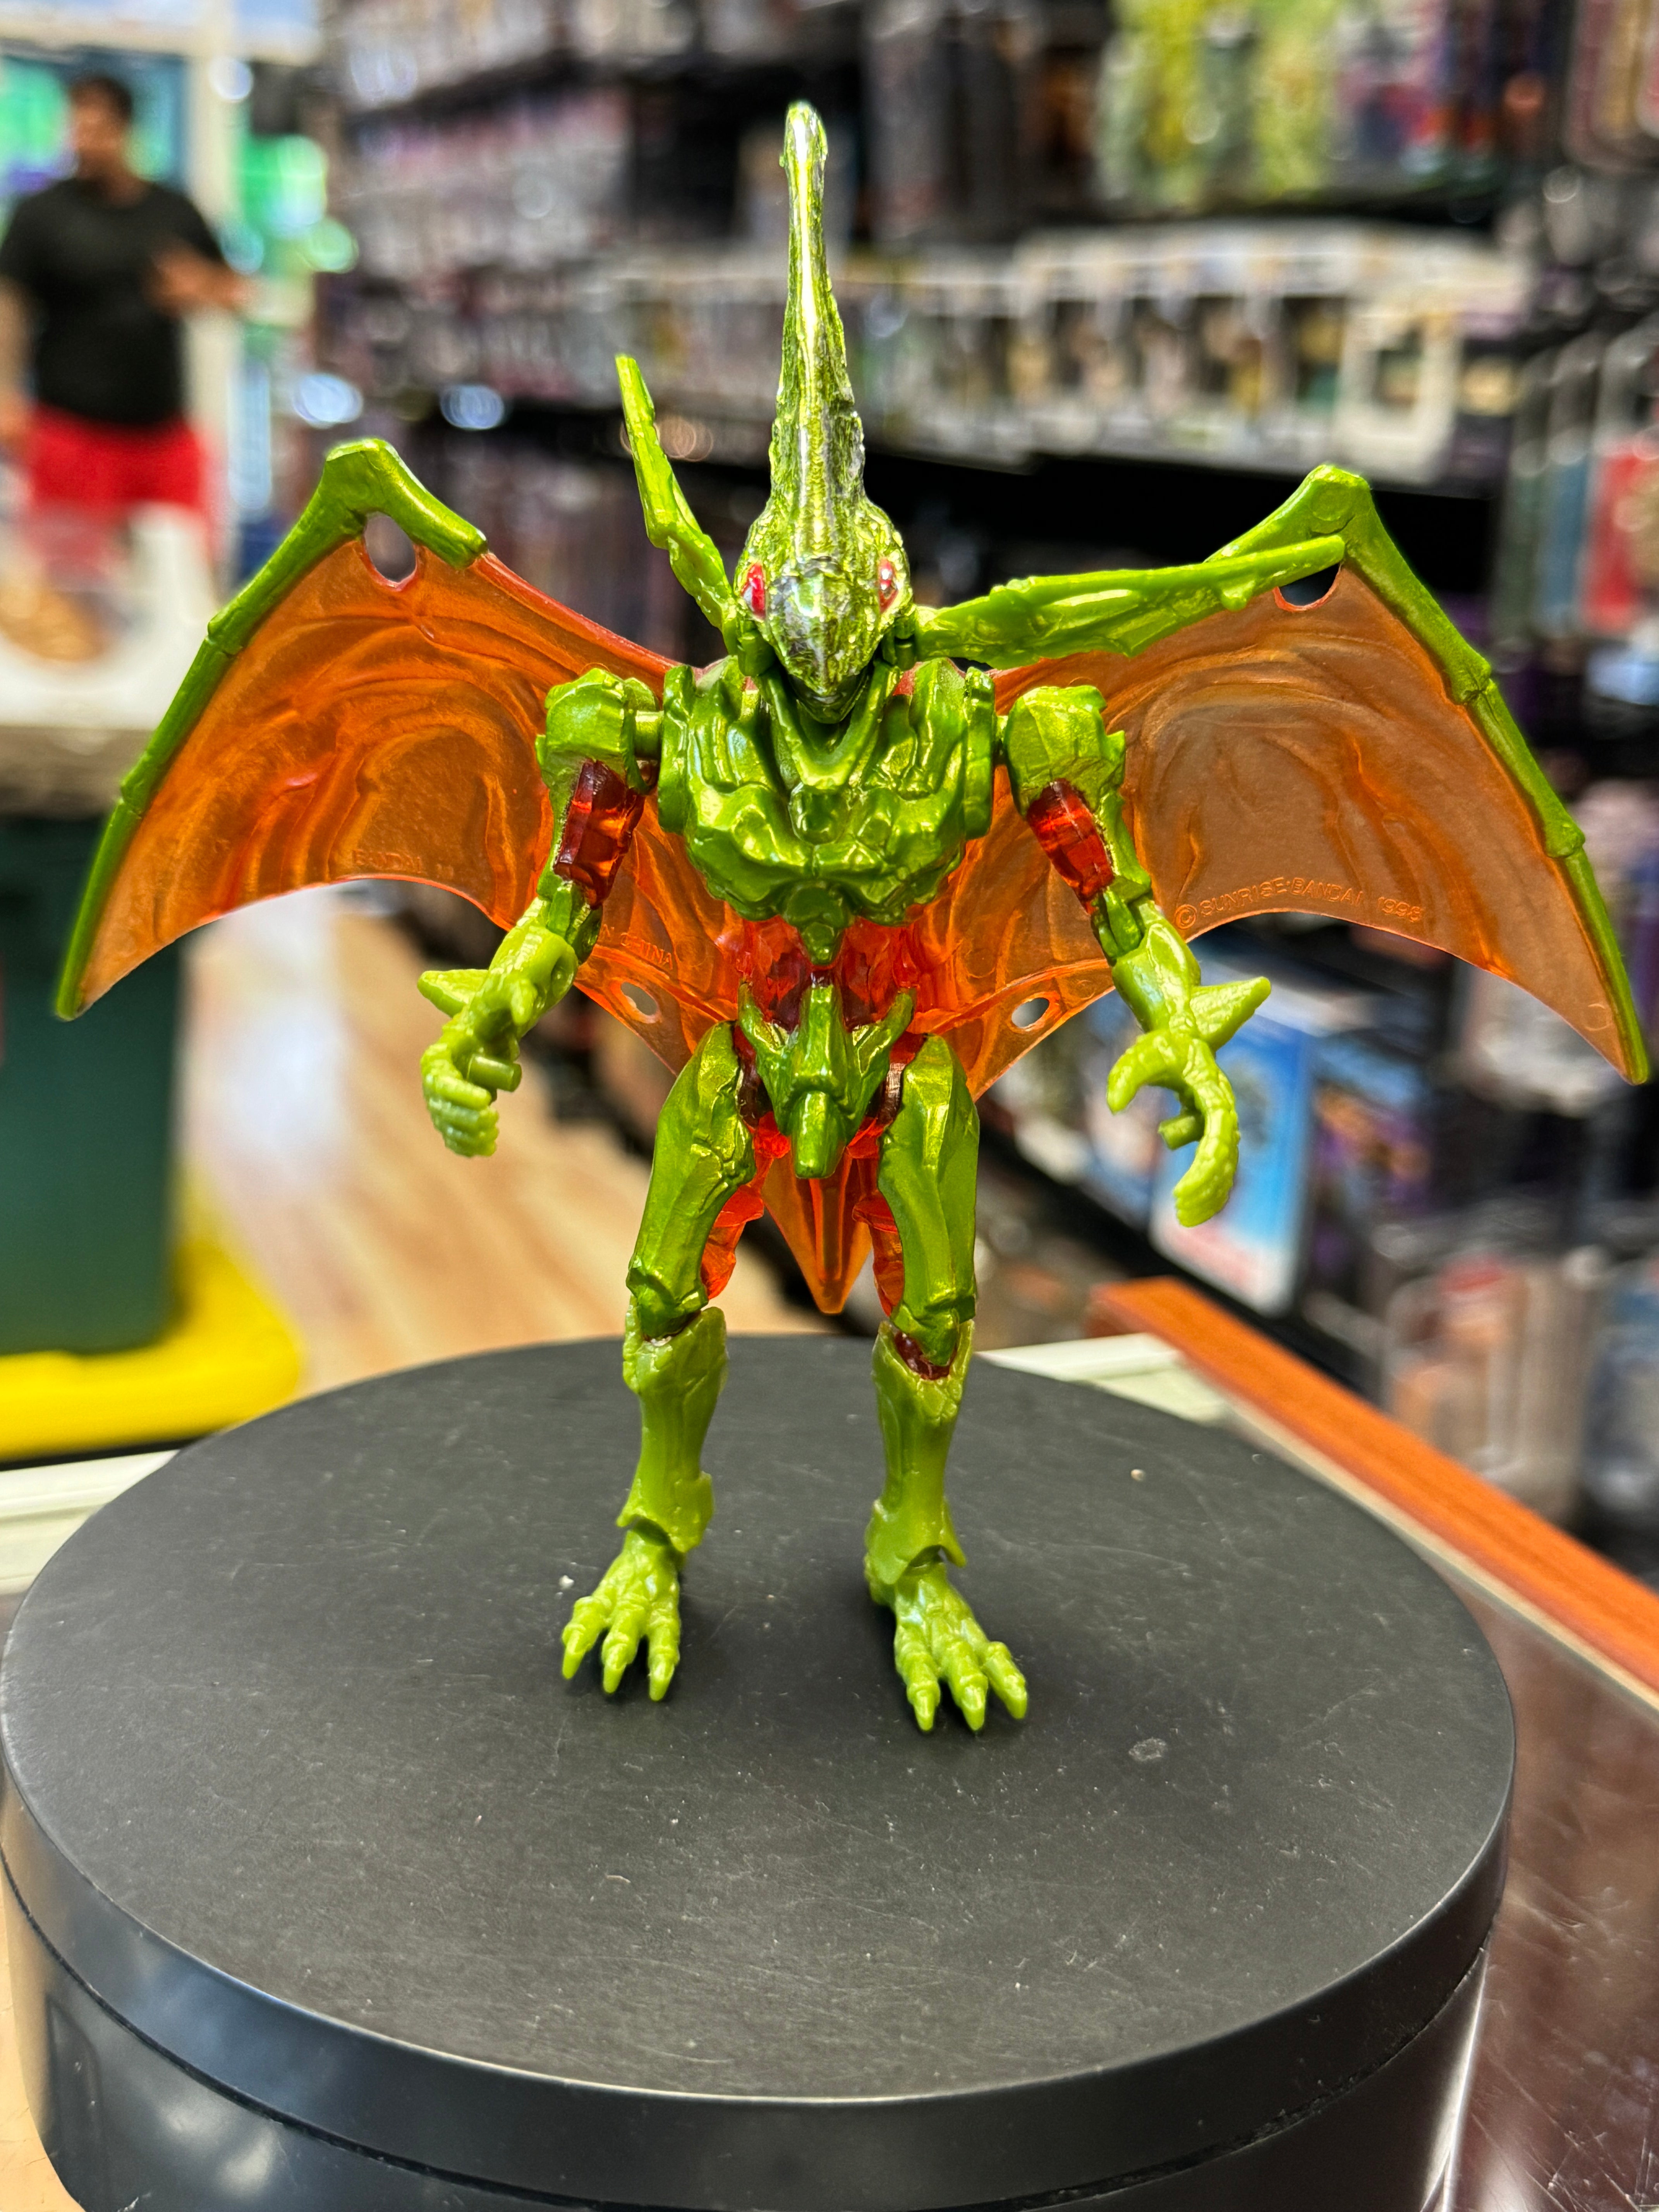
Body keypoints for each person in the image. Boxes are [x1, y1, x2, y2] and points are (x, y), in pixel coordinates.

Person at [0, 70, 248, 517]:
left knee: (176, 555)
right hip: (71, 432)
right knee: (70, 559)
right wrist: (5, 394)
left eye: (97, 130)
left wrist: (201, 286)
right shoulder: (42, 214)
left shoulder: (172, 211)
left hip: (160, 435)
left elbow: (235, 290)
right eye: (77, 129)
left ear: (126, 130)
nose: (84, 143)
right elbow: (10, 306)